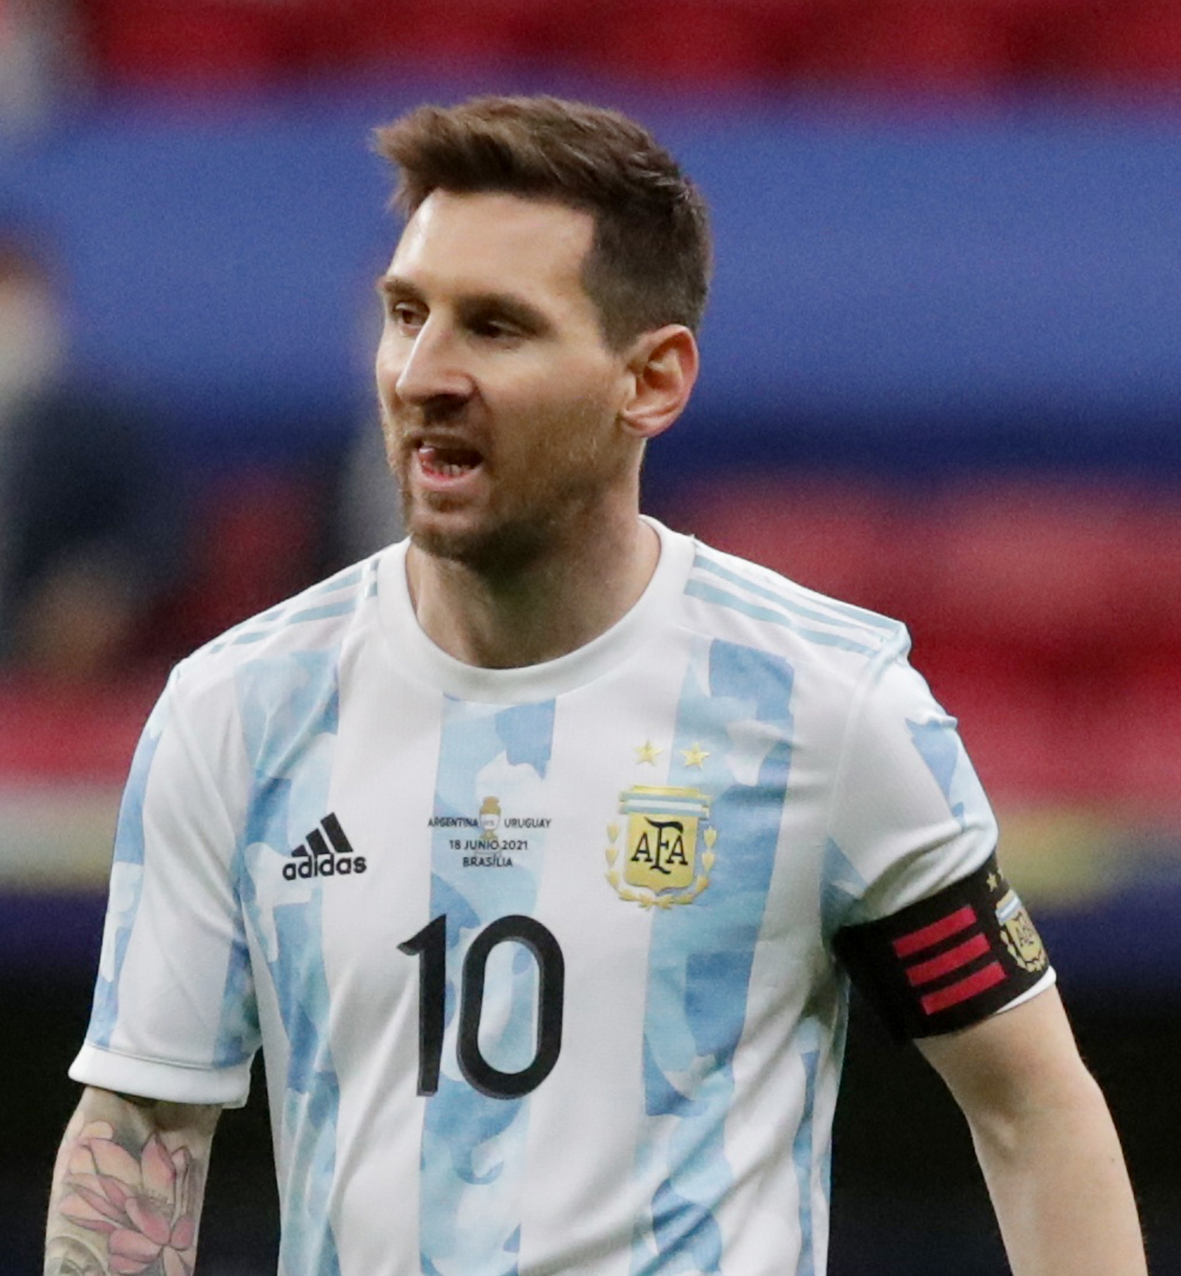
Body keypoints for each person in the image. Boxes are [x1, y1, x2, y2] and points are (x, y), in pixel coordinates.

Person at [46, 95, 1145, 1276]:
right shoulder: (238, 709)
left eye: (496, 328)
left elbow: (1031, 1111)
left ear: (652, 380)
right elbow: (143, 1132)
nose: (422, 373)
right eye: (404, 315)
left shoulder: (824, 706)